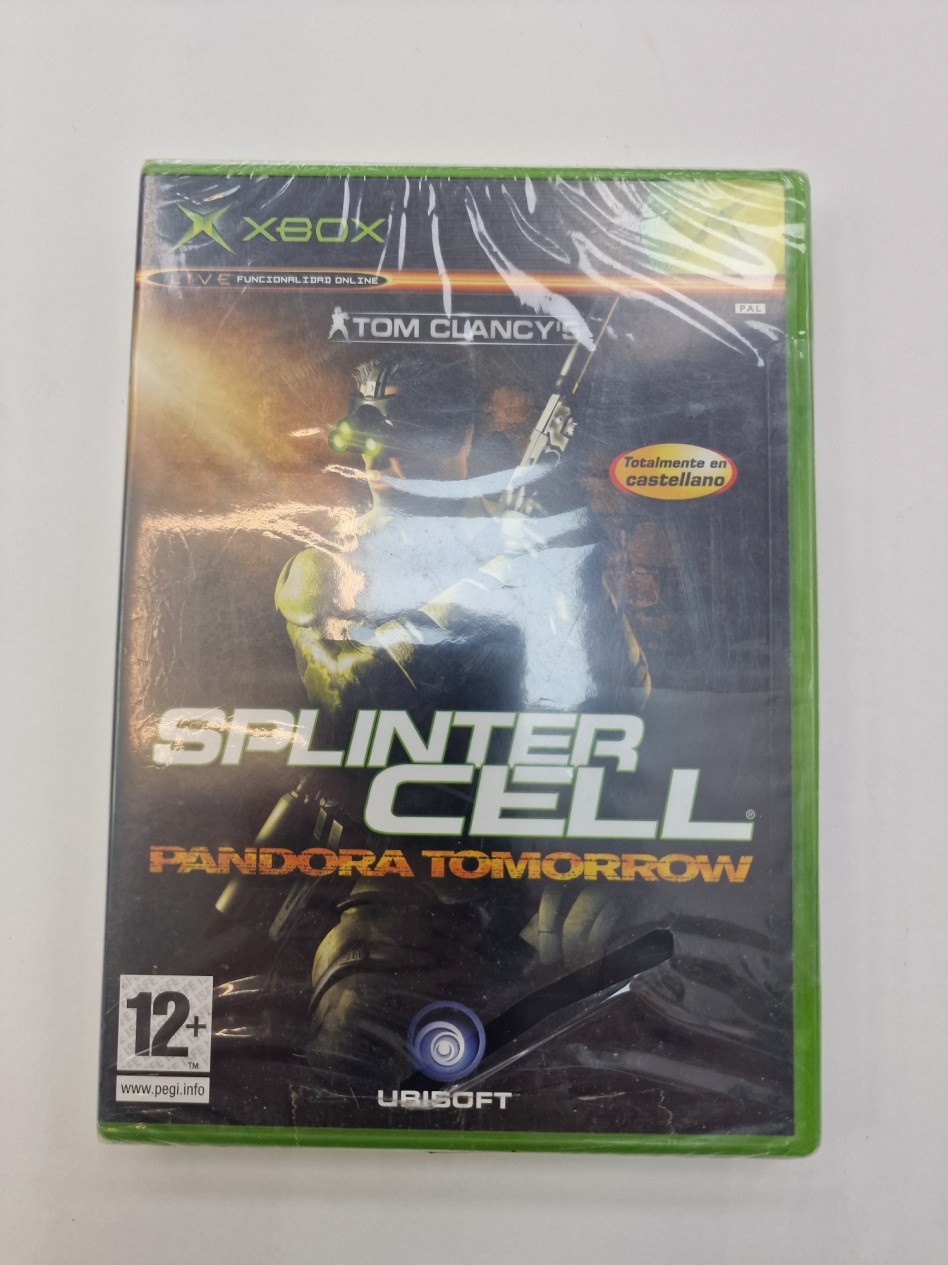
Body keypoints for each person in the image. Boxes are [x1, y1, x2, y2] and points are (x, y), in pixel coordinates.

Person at [272, 352, 650, 1093]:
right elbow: (353, 694)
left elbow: (618, 701)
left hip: (540, 883)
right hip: (400, 894)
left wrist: (569, 568)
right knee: (354, 1052)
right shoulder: (331, 563)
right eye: (370, 429)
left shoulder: (522, 541)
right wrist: (489, 581)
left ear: (466, 438)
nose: (383, 453)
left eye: (413, 429)